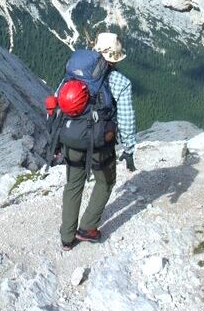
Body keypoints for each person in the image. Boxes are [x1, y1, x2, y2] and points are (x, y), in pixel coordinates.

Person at [60, 31, 137, 251]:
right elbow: (126, 117)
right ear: (115, 57)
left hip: (71, 137)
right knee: (105, 181)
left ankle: (66, 238)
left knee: (74, 183)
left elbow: (60, 100)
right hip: (99, 143)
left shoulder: (74, 71)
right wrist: (129, 148)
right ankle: (87, 228)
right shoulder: (119, 81)